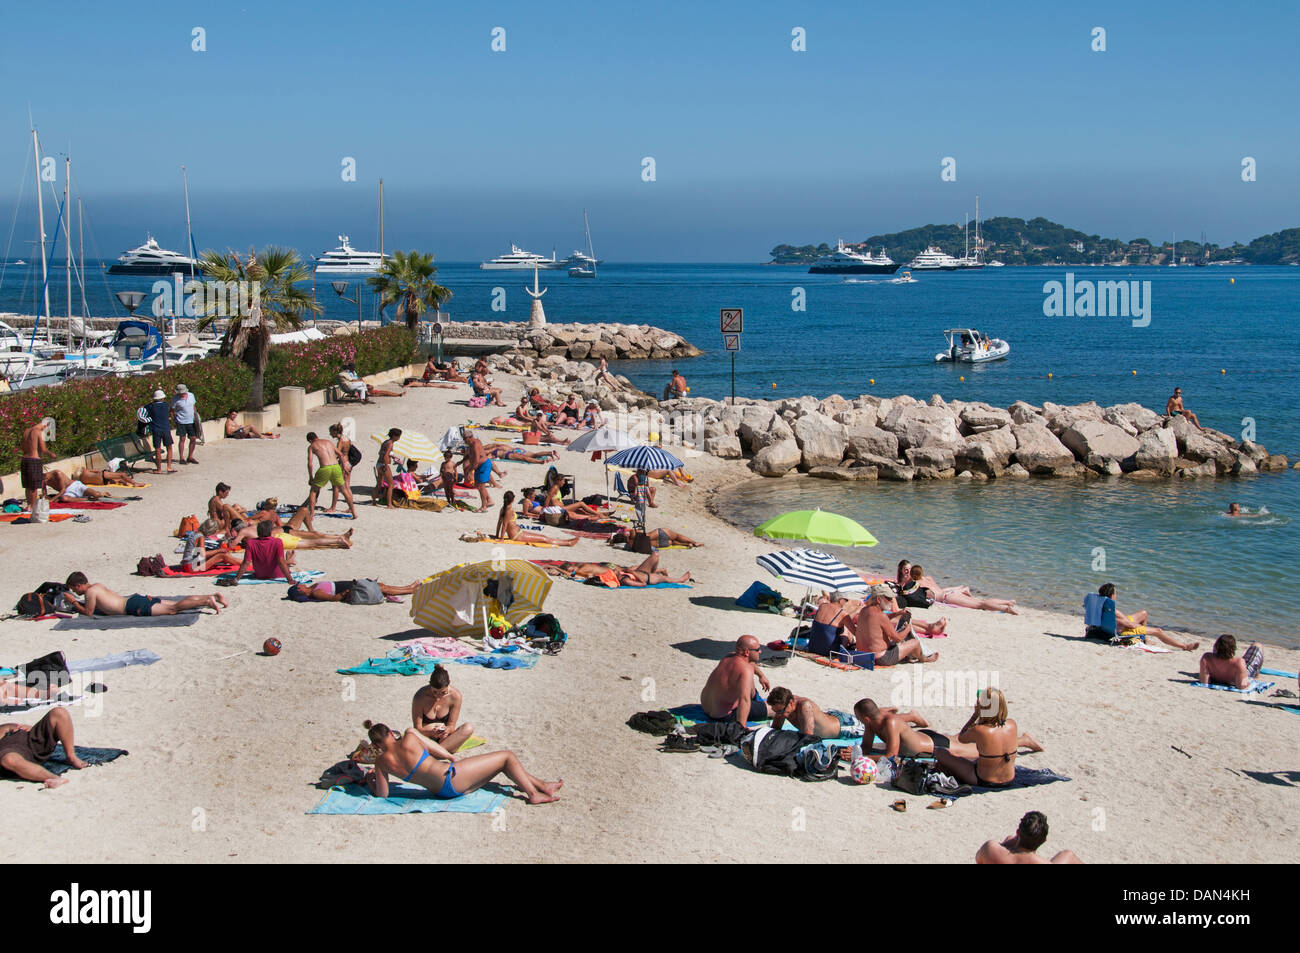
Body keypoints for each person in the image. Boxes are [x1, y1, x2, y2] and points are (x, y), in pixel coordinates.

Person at [359, 720, 560, 804]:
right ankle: (534, 794)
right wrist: (450, 757)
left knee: (500, 766)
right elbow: (434, 747)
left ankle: (543, 786)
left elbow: (383, 794)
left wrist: (371, 781)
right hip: (451, 777)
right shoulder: (409, 736)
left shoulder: (381, 762)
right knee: (507, 757)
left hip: (442, 793)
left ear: (377, 744)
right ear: (390, 733)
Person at [933, 688, 1043, 788]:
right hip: (1009, 779)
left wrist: (975, 715)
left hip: (983, 780)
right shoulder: (1012, 724)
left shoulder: (980, 730)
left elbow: (961, 738)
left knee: (940, 752)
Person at [1086, 582, 1198, 650]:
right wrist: (1143, 629)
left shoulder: (1099, 605)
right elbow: (1130, 625)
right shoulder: (1113, 611)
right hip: (1122, 630)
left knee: (1143, 613)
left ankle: (1146, 640)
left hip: (1114, 625)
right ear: (1112, 595)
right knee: (1158, 631)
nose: (1117, 594)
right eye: (1116, 593)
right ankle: (1184, 646)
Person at [63, 571, 228, 616]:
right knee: (172, 604)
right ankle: (209, 596)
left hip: (133, 606)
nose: (74, 592)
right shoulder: (97, 586)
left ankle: (207, 602)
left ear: (79, 585)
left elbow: (89, 612)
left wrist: (73, 603)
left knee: (173, 609)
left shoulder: (90, 592)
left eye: (74, 589)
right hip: (134, 600)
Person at [0, 708, 86, 788]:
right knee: (9, 759)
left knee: (59, 712)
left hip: (30, 737)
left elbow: (8, 726)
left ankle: (71, 756)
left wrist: (17, 726)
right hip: (11, 752)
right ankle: (54, 778)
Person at [855, 584, 937, 664]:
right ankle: (924, 659)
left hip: (864, 655)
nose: (891, 601)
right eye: (889, 598)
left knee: (898, 638)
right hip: (881, 658)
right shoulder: (881, 616)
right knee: (914, 643)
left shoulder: (864, 610)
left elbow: (879, 620)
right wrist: (908, 628)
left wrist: (898, 613)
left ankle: (910, 656)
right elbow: (897, 638)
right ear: (878, 599)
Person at [700, 635, 770, 723]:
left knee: (748, 672)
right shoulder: (745, 670)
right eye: (757, 649)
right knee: (777, 708)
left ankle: (756, 700)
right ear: (747, 652)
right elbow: (744, 700)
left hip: (707, 708)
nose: (760, 651)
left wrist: (761, 676)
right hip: (724, 715)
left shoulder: (729, 657)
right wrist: (741, 728)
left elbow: (750, 663)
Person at [411, 665, 475, 752]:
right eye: (435, 692)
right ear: (430, 685)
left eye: (443, 693)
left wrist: (446, 730)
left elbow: (451, 726)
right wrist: (430, 732)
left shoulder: (455, 696)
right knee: (410, 732)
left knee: (469, 727)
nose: (438, 697)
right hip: (425, 738)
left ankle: (434, 751)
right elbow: (417, 729)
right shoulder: (420, 697)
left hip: (443, 738)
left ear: (448, 685)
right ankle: (440, 751)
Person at [908, 564, 1018, 614]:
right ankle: (1007, 602)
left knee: (980, 605)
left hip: (948, 597)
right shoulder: (928, 578)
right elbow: (940, 589)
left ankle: (1005, 609)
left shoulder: (918, 583)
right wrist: (957, 588)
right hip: (949, 593)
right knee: (980, 602)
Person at [977, 811, 1081, 864]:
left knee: (1009, 839)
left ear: (1018, 832)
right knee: (1068, 855)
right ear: (1044, 841)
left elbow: (979, 860)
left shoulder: (990, 848)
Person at [766, 687, 859, 740]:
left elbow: (808, 738)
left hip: (844, 726)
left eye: (781, 711)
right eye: (776, 712)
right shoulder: (783, 705)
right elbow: (775, 730)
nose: (780, 715)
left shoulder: (804, 706)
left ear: (790, 703)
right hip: (828, 715)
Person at [495, 491, 578, 546]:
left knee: (543, 536)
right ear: (513, 499)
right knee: (544, 539)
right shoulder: (509, 510)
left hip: (518, 532)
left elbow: (499, 523)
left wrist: (496, 535)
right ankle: (567, 543)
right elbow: (504, 524)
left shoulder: (503, 508)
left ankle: (567, 541)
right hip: (516, 536)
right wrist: (501, 539)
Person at [306, 431, 357, 519]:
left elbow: (310, 463)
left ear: (310, 440)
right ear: (317, 436)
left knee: (313, 491)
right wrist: (344, 465)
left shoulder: (312, 446)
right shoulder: (328, 442)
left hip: (325, 468)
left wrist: (310, 477)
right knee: (344, 490)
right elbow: (340, 454)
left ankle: (311, 515)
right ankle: (354, 513)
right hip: (336, 466)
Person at [232, 521, 296, 582]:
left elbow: (246, 562)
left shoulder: (251, 542)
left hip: (260, 575)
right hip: (277, 575)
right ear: (271, 532)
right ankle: (289, 561)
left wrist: (237, 578)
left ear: (258, 532)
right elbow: (280, 561)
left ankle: (289, 561)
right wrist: (290, 579)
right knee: (282, 561)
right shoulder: (277, 541)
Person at [1199, 634, 1263, 689]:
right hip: (1235, 676)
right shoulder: (1238, 661)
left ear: (1216, 646)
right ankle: (1256, 675)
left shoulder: (1207, 657)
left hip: (1218, 675)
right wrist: (1249, 682)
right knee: (1257, 645)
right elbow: (1241, 686)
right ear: (1233, 649)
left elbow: (1204, 682)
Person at [19, 418, 56, 514]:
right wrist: (51, 454)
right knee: (34, 486)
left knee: (27, 485)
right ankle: (33, 506)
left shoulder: (26, 431)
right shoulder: (38, 432)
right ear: (46, 425)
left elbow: (22, 447)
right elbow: (43, 448)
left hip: (25, 459)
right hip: (34, 460)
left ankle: (29, 505)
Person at [287, 578, 419, 602]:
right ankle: (409, 590)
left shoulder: (313, 588)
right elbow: (333, 598)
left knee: (380, 585)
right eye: (301, 585)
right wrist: (345, 593)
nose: (303, 584)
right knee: (381, 588)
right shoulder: (315, 592)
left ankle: (408, 587)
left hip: (347, 585)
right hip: (348, 589)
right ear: (299, 588)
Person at [460, 428, 493, 512]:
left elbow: (476, 460)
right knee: (478, 485)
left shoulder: (475, 444)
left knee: (481, 487)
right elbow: (469, 455)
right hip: (480, 466)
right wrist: (459, 462)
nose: (464, 441)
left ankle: (483, 507)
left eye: (464, 439)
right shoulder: (471, 444)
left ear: (469, 437)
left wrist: (470, 470)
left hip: (483, 465)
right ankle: (489, 500)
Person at [327, 422, 357, 513]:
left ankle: (333, 507)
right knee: (347, 486)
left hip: (342, 464)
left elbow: (338, 454)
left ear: (335, 432)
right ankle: (351, 507)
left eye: (331, 432)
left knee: (336, 486)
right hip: (348, 463)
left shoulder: (340, 441)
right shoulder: (347, 439)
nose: (330, 434)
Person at [144, 389, 176, 474]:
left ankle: (159, 469)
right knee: (169, 448)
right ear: (162, 398)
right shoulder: (166, 405)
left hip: (156, 430)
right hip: (166, 429)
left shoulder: (151, 406)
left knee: (157, 450)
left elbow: (145, 408)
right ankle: (169, 467)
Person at [42, 470, 119, 503]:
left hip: (75, 486)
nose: (44, 483)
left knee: (96, 495)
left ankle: (102, 493)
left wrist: (52, 500)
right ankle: (86, 499)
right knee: (63, 498)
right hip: (68, 493)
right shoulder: (44, 480)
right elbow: (44, 492)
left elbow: (63, 490)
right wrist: (45, 497)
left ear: (46, 476)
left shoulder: (57, 473)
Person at [172, 383, 199, 464]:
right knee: (182, 439)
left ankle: (190, 456)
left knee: (193, 438)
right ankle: (181, 458)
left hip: (191, 420)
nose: (182, 394)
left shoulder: (191, 395)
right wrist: (175, 419)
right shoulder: (175, 399)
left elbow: (194, 406)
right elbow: (172, 410)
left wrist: (195, 415)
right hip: (181, 421)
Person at [609, 526, 701, 550]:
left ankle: (686, 544)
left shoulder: (631, 546)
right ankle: (694, 542)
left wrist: (613, 542)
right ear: (625, 535)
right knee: (676, 536)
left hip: (660, 544)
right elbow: (634, 530)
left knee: (672, 542)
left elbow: (617, 545)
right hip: (658, 534)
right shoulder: (632, 534)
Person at [71, 465, 146, 488]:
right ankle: (135, 483)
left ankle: (123, 482)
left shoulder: (83, 481)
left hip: (102, 482)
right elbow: (98, 471)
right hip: (102, 475)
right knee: (122, 475)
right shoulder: (85, 471)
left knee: (117, 479)